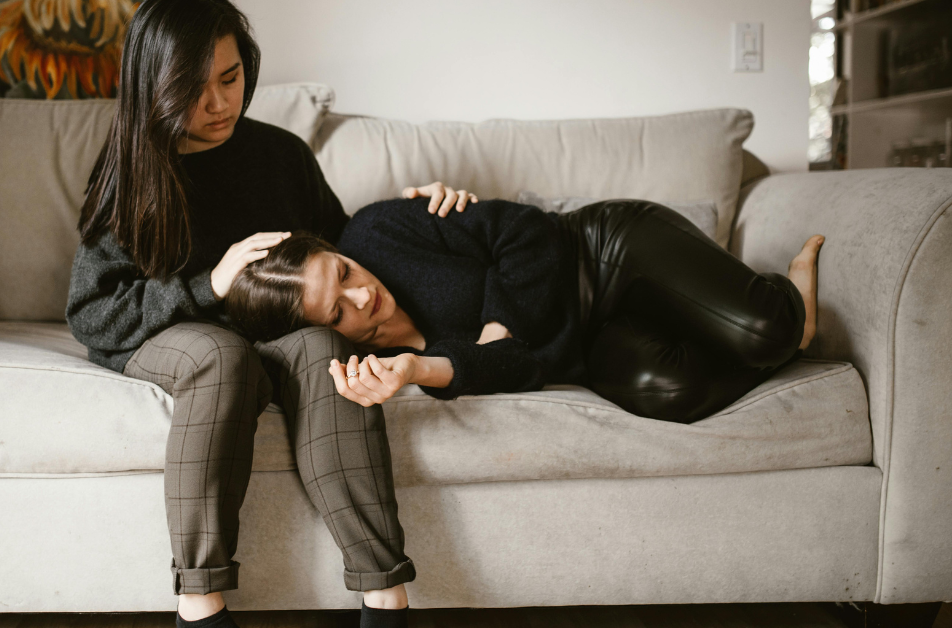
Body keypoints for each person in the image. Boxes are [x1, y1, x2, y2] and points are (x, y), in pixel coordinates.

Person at [65, 1, 477, 627]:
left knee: (325, 350)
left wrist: (426, 220)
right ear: (155, 86)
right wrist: (208, 286)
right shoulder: (134, 171)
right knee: (219, 353)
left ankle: (384, 601)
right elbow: (93, 312)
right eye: (193, 90)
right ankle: (200, 609)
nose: (218, 105)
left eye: (230, 79)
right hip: (174, 336)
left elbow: (350, 255)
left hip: (281, 342)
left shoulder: (282, 155)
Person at [224, 197, 825, 423]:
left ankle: (783, 301)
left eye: (345, 273)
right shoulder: (369, 365)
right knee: (668, 392)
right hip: (588, 347)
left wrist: (498, 328)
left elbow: (524, 230)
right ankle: (728, 322)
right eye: (337, 313)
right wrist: (418, 370)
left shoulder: (376, 229)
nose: (363, 294)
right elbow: (518, 371)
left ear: (337, 251)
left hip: (601, 255)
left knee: (767, 329)